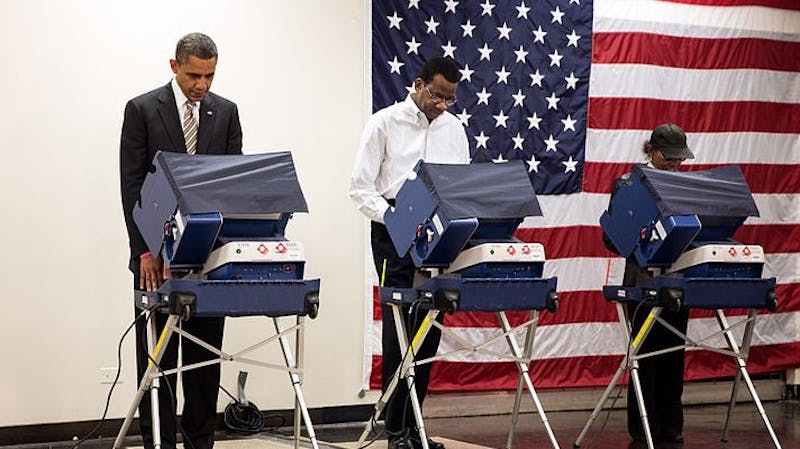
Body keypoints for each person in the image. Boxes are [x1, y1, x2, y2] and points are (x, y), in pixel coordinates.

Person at [120, 32, 242, 449]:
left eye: (209, 76)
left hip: (208, 257)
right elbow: (131, 186)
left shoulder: (225, 113)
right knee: (159, 359)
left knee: (204, 359)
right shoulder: (141, 110)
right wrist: (145, 252)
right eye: (194, 75)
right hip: (156, 256)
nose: (202, 85)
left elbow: (230, 187)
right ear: (174, 67)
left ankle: (200, 442)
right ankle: (160, 442)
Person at [349, 56, 469, 449]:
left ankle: (416, 429)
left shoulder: (455, 129)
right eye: (437, 96)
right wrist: (394, 219)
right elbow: (360, 188)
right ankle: (394, 431)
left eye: (449, 99)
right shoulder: (384, 122)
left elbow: (460, 185)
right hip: (393, 233)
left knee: (429, 330)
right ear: (418, 85)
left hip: (439, 234)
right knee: (399, 333)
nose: (441, 106)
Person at [603, 123, 694, 446]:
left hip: (677, 278)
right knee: (646, 358)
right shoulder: (628, 184)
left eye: (678, 159)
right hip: (642, 281)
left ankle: (671, 426)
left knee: (674, 356)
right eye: (668, 157)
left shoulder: (685, 186)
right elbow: (610, 238)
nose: (674, 164)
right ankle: (643, 430)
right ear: (651, 150)